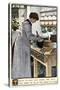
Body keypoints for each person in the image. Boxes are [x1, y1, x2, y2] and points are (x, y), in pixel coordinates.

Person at [12, 12, 39, 79]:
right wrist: (38, 38)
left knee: (21, 62)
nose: (35, 22)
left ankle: (21, 76)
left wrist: (35, 36)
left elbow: (28, 34)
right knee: (21, 61)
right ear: (32, 18)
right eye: (35, 20)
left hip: (21, 43)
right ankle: (22, 76)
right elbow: (29, 37)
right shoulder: (27, 24)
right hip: (21, 45)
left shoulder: (27, 23)